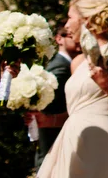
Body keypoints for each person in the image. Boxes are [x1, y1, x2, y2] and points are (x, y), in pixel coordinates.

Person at [37, 0, 108, 178]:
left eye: (70, 18)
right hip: (70, 136)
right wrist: (48, 120)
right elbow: (78, 110)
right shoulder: (77, 62)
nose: (67, 25)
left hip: (100, 140)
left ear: (86, 19)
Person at [32, 26, 82, 170]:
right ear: (59, 39)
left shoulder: (67, 65)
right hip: (54, 140)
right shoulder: (60, 67)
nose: (77, 40)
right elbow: (47, 106)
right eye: (71, 35)